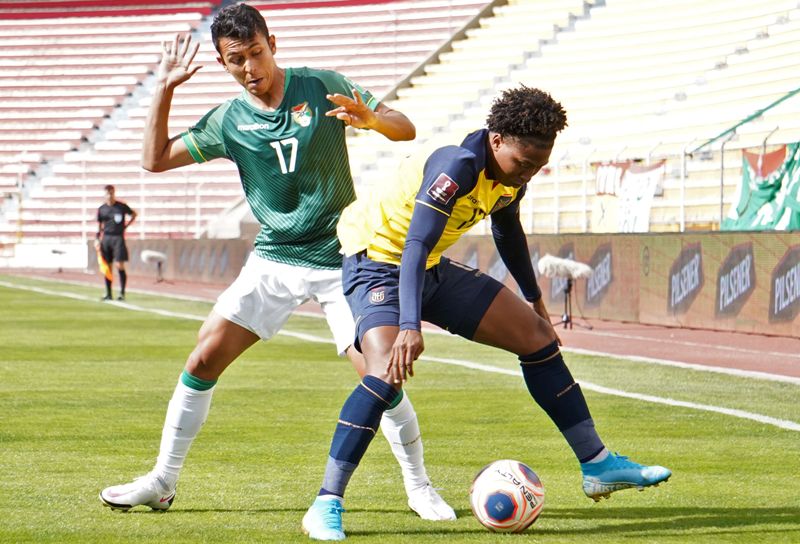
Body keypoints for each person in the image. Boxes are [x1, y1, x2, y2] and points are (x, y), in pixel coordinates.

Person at [99, 3, 455, 521]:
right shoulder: (228, 120)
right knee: (201, 360)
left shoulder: (321, 85)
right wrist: (165, 88)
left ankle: (419, 486)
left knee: (381, 376)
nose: (250, 68)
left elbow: (406, 128)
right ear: (223, 63)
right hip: (274, 259)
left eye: (256, 53)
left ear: (273, 42)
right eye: (236, 59)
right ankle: (163, 480)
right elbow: (154, 160)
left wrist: (373, 120)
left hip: (342, 259)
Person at [301, 85, 672, 540]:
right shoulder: (456, 166)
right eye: (524, 163)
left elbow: (507, 229)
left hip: (429, 265)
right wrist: (410, 326)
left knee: (537, 337)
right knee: (384, 373)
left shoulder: (510, 175)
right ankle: (326, 502)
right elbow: (414, 243)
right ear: (496, 141)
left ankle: (597, 464)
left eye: (539, 165)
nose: (528, 174)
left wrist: (536, 298)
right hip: (377, 263)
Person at [95, 184, 136, 301]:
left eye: (111, 193)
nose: (109, 195)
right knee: (107, 267)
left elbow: (134, 214)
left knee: (119, 265)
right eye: (107, 193)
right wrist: (97, 238)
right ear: (104, 194)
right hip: (106, 238)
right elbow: (99, 225)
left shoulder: (121, 206)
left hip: (118, 238)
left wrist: (126, 226)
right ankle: (108, 293)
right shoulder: (102, 209)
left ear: (114, 193)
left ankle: (122, 293)